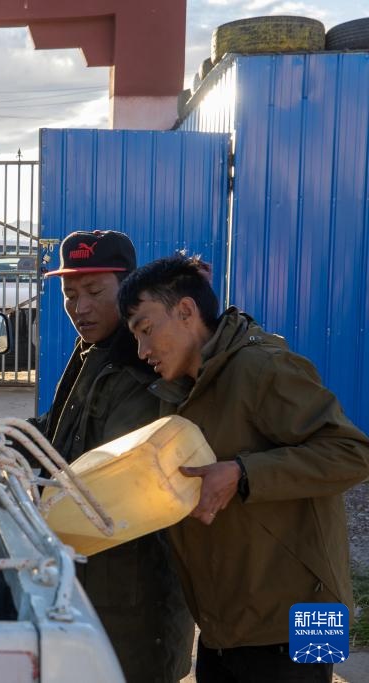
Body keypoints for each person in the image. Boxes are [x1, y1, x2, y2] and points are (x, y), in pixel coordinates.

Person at [117, 254, 369, 683]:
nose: (143, 351)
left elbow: (352, 452)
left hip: (304, 617)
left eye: (146, 330)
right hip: (225, 622)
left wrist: (242, 473)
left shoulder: (264, 366)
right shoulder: (183, 386)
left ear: (186, 311)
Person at [38, 230, 194, 682]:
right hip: (93, 578)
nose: (79, 307)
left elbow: (114, 480)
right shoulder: (95, 351)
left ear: (128, 290)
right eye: (70, 294)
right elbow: (59, 432)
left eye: (93, 292)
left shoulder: (143, 364)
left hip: (135, 593)